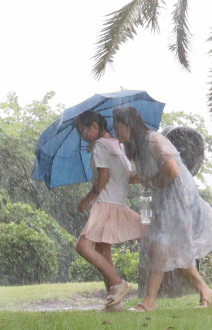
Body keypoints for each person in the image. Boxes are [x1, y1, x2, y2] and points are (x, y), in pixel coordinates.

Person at [112, 106, 212, 312]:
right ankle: (205, 291)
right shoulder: (138, 147)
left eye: (118, 127)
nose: (116, 133)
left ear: (129, 125)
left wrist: (151, 182)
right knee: (173, 249)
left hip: (178, 196)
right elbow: (148, 176)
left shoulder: (153, 140)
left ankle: (149, 301)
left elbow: (171, 171)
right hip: (165, 198)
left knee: (161, 246)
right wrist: (124, 177)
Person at [74, 111, 144, 312]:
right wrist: (148, 176)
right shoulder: (119, 145)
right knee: (103, 251)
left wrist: (86, 200)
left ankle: (117, 282)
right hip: (117, 203)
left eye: (83, 131)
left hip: (104, 203)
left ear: (94, 126)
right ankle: (115, 304)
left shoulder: (99, 145)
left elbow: (103, 176)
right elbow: (128, 177)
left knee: (82, 246)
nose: (83, 136)